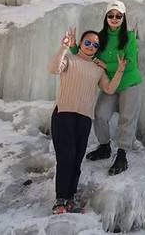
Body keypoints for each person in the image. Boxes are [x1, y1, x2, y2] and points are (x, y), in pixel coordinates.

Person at [47, 28, 126, 215]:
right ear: (81, 43)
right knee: (65, 157)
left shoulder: (98, 68)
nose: (91, 46)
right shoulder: (70, 59)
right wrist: (63, 48)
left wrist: (119, 71)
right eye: (88, 42)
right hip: (63, 114)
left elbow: (109, 88)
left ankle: (70, 199)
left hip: (84, 118)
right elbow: (53, 69)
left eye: (95, 44)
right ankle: (60, 200)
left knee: (76, 158)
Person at [69, 0, 143, 176]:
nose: (114, 18)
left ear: (123, 18)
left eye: (118, 16)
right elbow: (87, 55)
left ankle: (122, 155)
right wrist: (73, 47)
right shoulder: (100, 37)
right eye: (111, 15)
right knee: (100, 114)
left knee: (127, 117)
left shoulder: (129, 37)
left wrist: (105, 65)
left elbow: (130, 63)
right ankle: (104, 147)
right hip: (109, 84)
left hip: (129, 83)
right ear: (106, 17)